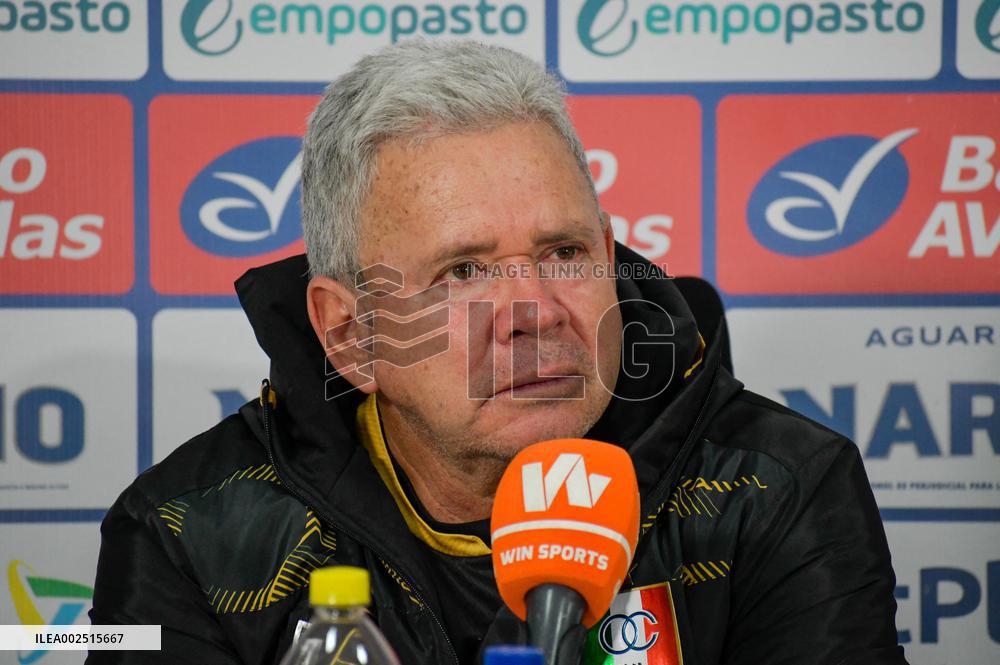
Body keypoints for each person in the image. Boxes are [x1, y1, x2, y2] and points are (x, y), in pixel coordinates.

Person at [88, 40, 907, 665]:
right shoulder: (189, 534)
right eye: (464, 270)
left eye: (563, 253)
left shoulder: (775, 490)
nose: (537, 314)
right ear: (349, 333)